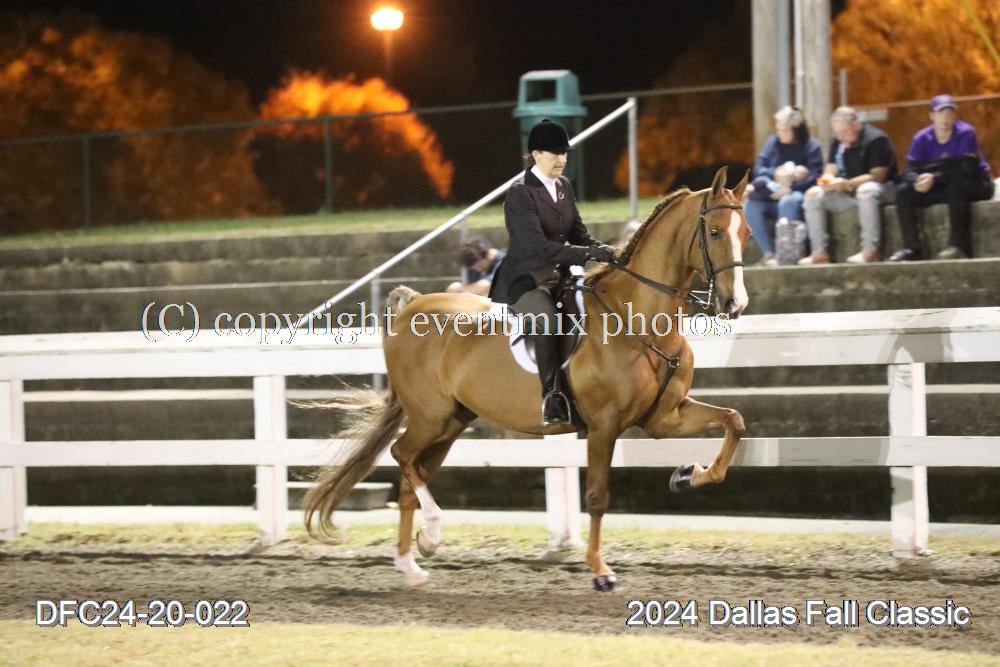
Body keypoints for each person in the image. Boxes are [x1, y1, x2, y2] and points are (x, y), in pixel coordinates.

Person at [488, 119, 615, 425]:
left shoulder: (564, 186)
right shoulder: (520, 193)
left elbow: (579, 234)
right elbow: (539, 247)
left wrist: (608, 251)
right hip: (526, 280)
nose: (562, 159)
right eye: (555, 153)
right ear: (535, 154)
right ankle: (553, 397)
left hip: (561, 275)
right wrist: (587, 254)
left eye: (564, 153)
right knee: (547, 318)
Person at [889, 95, 995, 261]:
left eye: (949, 113)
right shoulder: (922, 138)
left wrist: (933, 176)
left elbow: (966, 169)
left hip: (975, 183)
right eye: (940, 113)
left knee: (956, 183)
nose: (945, 118)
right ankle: (912, 248)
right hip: (942, 184)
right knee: (904, 192)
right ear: (932, 115)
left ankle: (959, 247)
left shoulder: (965, 133)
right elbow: (909, 170)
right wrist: (917, 180)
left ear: (954, 115)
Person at [798, 106, 898, 265]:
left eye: (844, 131)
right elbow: (830, 169)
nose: (841, 137)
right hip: (848, 190)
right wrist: (827, 182)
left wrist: (847, 184)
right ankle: (819, 253)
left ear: (856, 125)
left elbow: (878, 175)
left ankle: (870, 250)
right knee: (813, 195)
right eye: (837, 133)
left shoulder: (875, 139)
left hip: (882, 188)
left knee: (866, 191)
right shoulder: (838, 141)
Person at [744, 106, 823, 265]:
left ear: (795, 130)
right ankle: (769, 253)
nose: (779, 132)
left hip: (797, 193)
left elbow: (815, 176)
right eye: (778, 128)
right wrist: (775, 173)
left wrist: (790, 188)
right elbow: (760, 168)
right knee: (751, 205)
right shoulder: (773, 142)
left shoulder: (812, 146)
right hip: (773, 192)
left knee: (788, 202)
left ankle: (787, 253)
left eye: (784, 129)